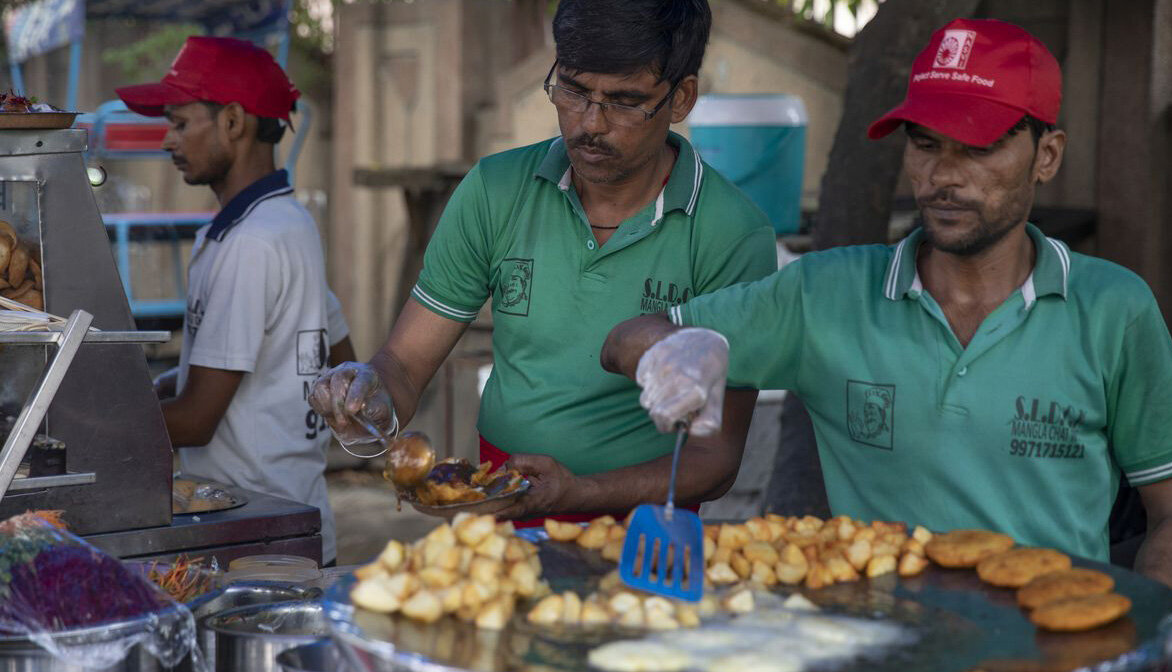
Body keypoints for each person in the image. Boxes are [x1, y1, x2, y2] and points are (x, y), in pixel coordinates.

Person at [600, 18, 1172, 595]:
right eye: (925, 143)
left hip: (1055, 647)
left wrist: (1145, 624)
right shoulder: (825, 294)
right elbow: (624, 339)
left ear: (1047, 155)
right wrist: (673, 353)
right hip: (879, 644)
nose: (944, 175)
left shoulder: (1113, 309)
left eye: (979, 147)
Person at [307, 0, 776, 524]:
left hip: (645, 535)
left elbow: (714, 460)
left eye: (624, 101)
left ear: (682, 96)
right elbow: (404, 364)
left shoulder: (732, 233)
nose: (590, 124)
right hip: (501, 509)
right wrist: (369, 399)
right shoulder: (494, 191)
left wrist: (580, 492)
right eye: (573, 91)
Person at [117, 36, 354, 565]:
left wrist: (91, 424)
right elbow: (339, 351)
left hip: (256, 537)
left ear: (232, 121)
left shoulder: (251, 242)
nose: (166, 142)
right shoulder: (285, 223)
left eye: (179, 123)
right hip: (293, 516)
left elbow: (199, 419)